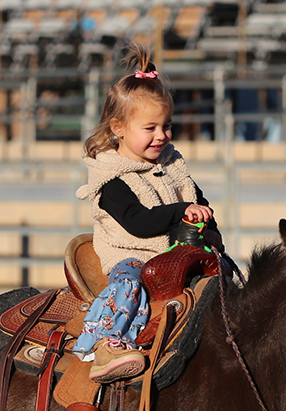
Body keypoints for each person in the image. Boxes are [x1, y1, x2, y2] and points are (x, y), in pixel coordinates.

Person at [73, 42, 218, 382]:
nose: (161, 136)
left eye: (166, 126)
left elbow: (200, 201)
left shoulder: (173, 166)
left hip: (178, 254)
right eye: (150, 128)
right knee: (130, 285)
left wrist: (210, 229)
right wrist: (183, 210)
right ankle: (107, 343)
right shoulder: (112, 178)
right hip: (133, 254)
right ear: (118, 128)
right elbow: (139, 224)